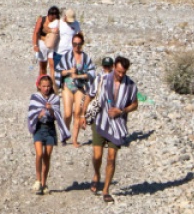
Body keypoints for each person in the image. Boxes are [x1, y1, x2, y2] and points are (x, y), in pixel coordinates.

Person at [87, 56, 139, 202]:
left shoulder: (130, 86)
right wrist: (82, 116)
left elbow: (135, 104)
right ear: (114, 67)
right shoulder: (102, 79)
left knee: (111, 158)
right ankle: (96, 174)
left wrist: (122, 111)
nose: (120, 75)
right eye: (118, 71)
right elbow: (89, 95)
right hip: (100, 121)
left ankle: (106, 190)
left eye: (123, 72)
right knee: (97, 156)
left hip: (117, 125)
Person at [27, 75, 68, 196]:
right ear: (39, 86)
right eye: (44, 86)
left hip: (50, 128)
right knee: (39, 154)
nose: (46, 88)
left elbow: (57, 115)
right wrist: (38, 116)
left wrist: (50, 110)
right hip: (39, 128)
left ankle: (44, 183)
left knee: (47, 156)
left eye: (48, 86)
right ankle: (38, 180)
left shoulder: (54, 98)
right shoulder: (35, 97)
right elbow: (31, 113)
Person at [57, 34, 94, 145]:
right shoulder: (66, 56)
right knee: (68, 113)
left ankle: (74, 140)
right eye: (74, 44)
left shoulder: (86, 58)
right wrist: (69, 72)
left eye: (79, 44)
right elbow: (59, 71)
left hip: (80, 86)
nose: (76, 46)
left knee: (77, 112)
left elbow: (91, 73)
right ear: (72, 44)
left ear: (82, 44)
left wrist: (79, 76)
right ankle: (64, 135)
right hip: (67, 86)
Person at [31, 7, 61, 78]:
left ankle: (53, 84)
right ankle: (42, 82)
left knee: (52, 65)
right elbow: (36, 32)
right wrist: (35, 45)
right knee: (43, 66)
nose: (53, 19)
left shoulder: (58, 21)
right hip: (42, 43)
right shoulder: (42, 20)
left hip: (53, 45)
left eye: (55, 17)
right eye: (52, 17)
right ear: (49, 15)